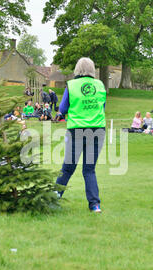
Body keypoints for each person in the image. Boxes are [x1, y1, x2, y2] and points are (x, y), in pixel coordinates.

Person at [55, 57, 106, 213]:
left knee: (68, 167)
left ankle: (53, 198)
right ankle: (94, 205)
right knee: (89, 170)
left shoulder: (72, 85)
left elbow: (63, 108)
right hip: (97, 129)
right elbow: (102, 106)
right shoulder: (100, 85)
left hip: (77, 130)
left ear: (77, 69)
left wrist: (60, 115)